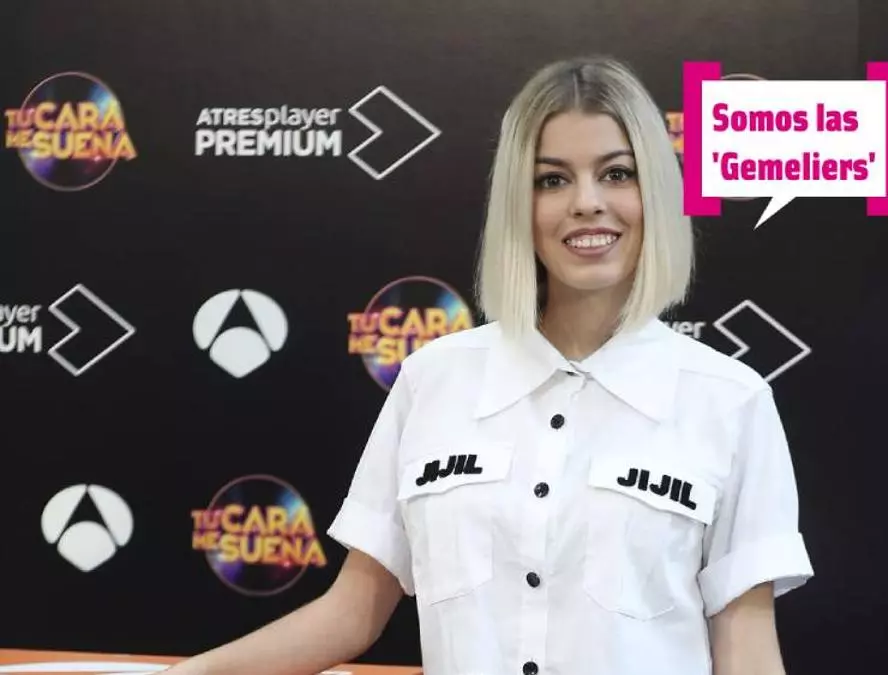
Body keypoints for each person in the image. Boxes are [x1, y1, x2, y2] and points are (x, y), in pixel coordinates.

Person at [164, 55, 814, 675]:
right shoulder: (433, 379)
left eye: (617, 174)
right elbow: (351, 613)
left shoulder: (730, 400)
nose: (587, 202)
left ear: (657, 192)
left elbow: (748, 654)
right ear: (517, 206)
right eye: (552, 179)